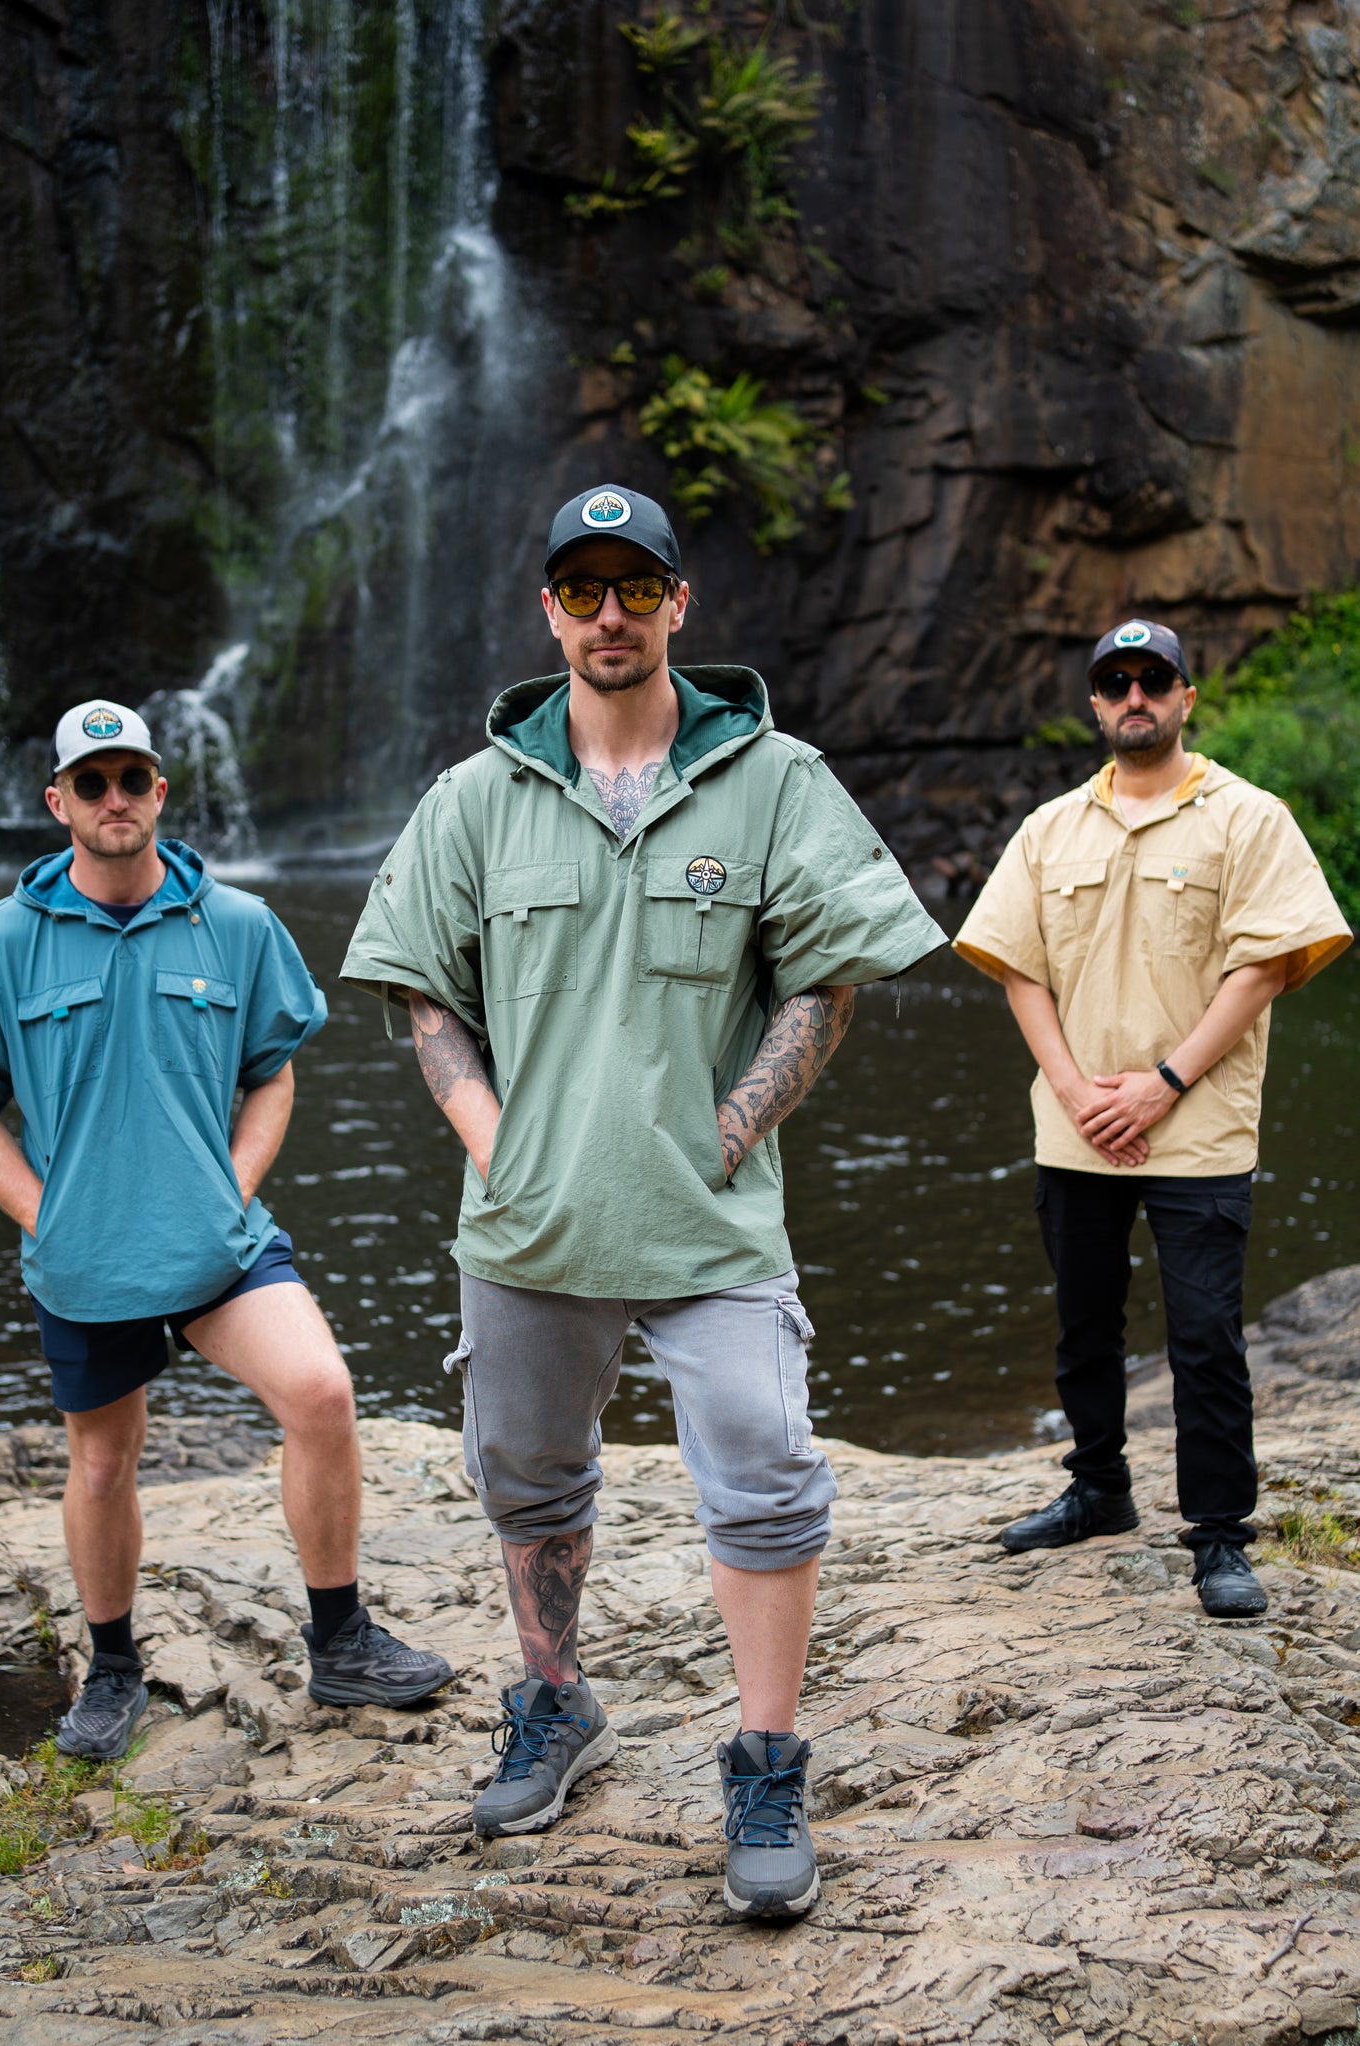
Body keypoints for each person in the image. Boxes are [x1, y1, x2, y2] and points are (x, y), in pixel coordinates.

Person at [342, 484, 945, 1917]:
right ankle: (553, 1700)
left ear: (680, 603)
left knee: (760, 1458)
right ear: (546, 610)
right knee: (529, 1472)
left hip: (708, 1221)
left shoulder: (775, 778)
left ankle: (766, 1760)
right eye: (579, 589)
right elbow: (425, 990)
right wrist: (495, 1144)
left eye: (634, 586)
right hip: (530, 1224)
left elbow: (827, 976)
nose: (607, 614)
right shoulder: (475, 797)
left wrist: (733, 1130)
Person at [0, 700, 453, 1759]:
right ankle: (113, 1669)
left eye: (132, 780)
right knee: (106, 1460)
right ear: (58, 801)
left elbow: (273, 1074)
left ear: (161, 790)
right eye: (92, 782)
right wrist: (42, 1213)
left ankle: (339, 1637)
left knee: (322, 1391)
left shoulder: (240, 924)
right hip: (85, 1255)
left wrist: (231, 1185)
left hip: (220, 1239)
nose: (113, 799)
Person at [954, 618, 1351, 1617]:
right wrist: (1080, 1090)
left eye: (1151, 678)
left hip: (1196, 1127)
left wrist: (1160, 1084)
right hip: (1074, 1123)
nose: (1133, 693)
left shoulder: (1245, 817)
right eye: (1113, 680)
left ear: (1184, 697)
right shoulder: (1049, 829)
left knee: (1206, 1335)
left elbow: (1262, 966)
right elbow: (1016, 967)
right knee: (1081, 1325)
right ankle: (1097, 1488)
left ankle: (1218, 1532)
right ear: (1094, 702)